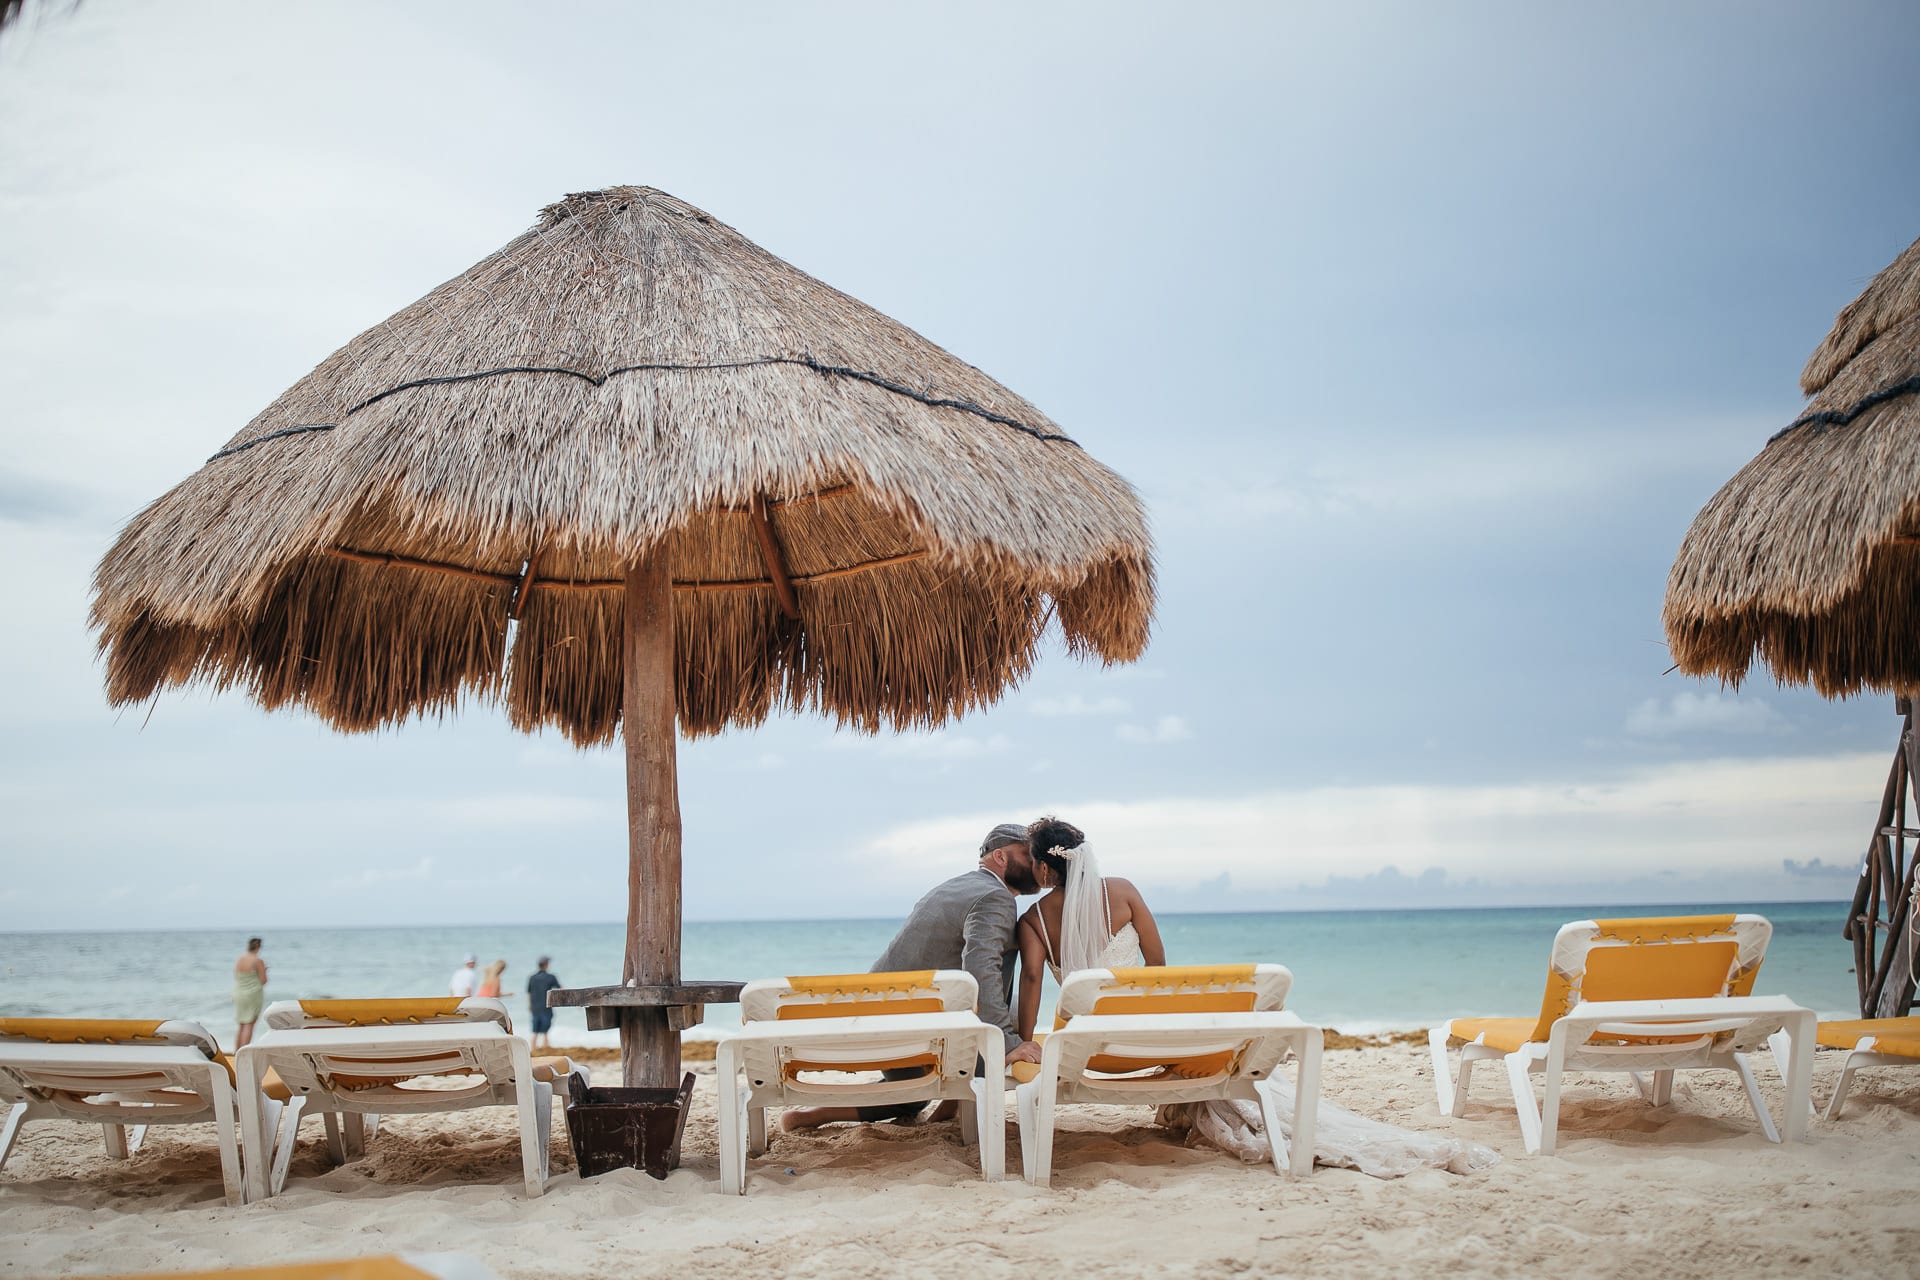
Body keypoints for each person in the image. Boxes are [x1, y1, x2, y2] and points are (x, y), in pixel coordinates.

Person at [1015, 815, 1495, 1178]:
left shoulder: (1033, 920)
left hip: (1098, 1054)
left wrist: (1025, 1039)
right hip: (1156, 1039)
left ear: (1042, 866)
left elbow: (1033, 983)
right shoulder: (1122, 891)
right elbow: (1157, 967)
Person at [781, 821, 1045, 1132]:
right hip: (912, 1028)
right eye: (1029, 855)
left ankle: (809, 1116)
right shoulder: (993, 897)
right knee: (1007, 1013)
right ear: (1000, 857)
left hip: (882, 1015)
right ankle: (956, 1099)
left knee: (910, 1096)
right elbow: (980, 970)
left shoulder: (952, 887)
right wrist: (1009, 1043)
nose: (1037, 864)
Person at [232, 937, 267, 1049]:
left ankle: (237, 1051)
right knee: (249, 1024)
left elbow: (236, 976)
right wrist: (264, 970)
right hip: (252, 994)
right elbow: (263, 980)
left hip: (239, 993)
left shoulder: (240, 959)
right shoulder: (258, 961)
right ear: (258, 947)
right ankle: (244, 1050)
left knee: (241, 1024)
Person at [526, 956, 561, 1051]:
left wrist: (529, 1005)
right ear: (546, 965)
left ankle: (532, 1049)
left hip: (535, 1006)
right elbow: (560, 989)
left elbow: (528, 993)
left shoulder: (532, 978)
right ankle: (545, 1047)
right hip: (546, 1006)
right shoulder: (551, 977)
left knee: (535, 1030)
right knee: (545, 1030)